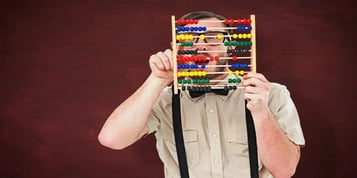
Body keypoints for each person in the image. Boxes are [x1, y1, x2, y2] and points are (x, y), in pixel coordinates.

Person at [98, 11, 305, 178]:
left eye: (212, 38)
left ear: (231, 45)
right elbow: (112, 139)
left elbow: (285, 170)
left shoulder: (273, 94)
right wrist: (157, 79)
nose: (201, 45)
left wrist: (261, 112)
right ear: (178, 48)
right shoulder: (164, 99)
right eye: (189, 39)